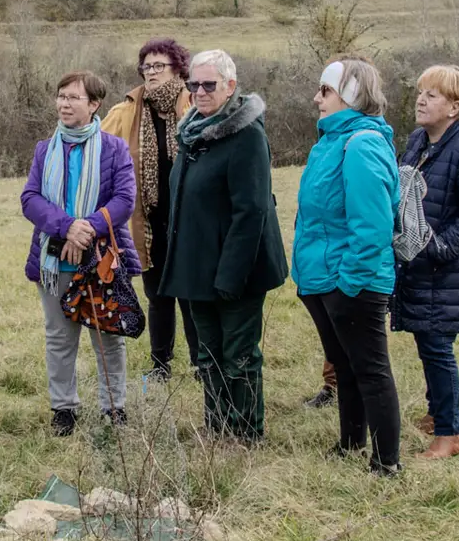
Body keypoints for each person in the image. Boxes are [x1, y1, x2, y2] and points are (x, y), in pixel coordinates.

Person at [157, 50, 288, 444]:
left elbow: (251, 211)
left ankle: (246, 434)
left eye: (209, 84)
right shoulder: (192, 131)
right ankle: (217, 429)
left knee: (238, 355)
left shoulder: (246, 135)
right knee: (208, 355)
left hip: (237, 271)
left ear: (230, 86)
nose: (199, 92)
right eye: (193, 84)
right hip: (197, 268)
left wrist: (231, 277)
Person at [294, 58, 403, 476]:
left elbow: (372, 227)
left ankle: (386, 462)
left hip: (353, 283)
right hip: (323, 279)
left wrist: (349, 284)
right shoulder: (328, 143)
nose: (316, 98)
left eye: (326, 91)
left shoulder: (361, 145)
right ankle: (351, 443)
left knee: (371, 370)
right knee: (345, 365)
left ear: (351, 96)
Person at [20, 71, 141, 436]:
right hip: (54, 258)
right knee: (59, 337)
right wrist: (66, 227)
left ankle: (114, 409)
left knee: (108, 337)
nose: (64, 104)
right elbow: (30, 198)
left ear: (94, 104)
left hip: (101, 260)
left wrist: (86, 228)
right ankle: (64, 410)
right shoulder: (45, 149)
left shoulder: (114, 148)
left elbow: (125, 200)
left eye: (73, 97)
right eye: (61, 96)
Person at [391, 64, 459, 461]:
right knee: (427, 341)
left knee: (437, 347)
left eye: (431, 95)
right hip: (418, 266)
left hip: (447, 271)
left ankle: (451, 434)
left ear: (454, 107)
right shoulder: (419, 141)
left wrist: (437, 247)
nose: (420, 100)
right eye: (420, 92)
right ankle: (437, 413)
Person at [98, 38, 198, 382]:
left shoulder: (193, 104)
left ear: (178, 69)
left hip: (188, 219)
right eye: (147, 66)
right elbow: (99, 151)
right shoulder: (127, 111)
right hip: (148, 220)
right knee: (158, 294)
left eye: (159, 66)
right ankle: (160, 364)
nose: (151, 72)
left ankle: (202, 364)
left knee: (191, 294)